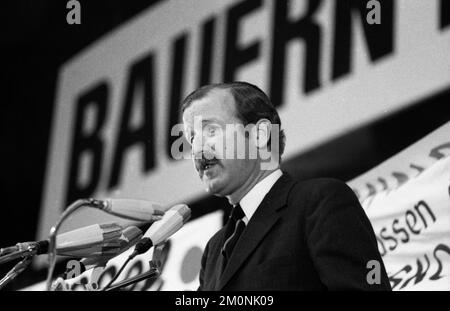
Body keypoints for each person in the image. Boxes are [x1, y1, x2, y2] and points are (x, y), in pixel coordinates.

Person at [181, 81, 391, 290]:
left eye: (210, 130)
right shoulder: (213, 250)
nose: (197, 150)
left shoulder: (319, 202)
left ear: (260, 135)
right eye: (192, 138)